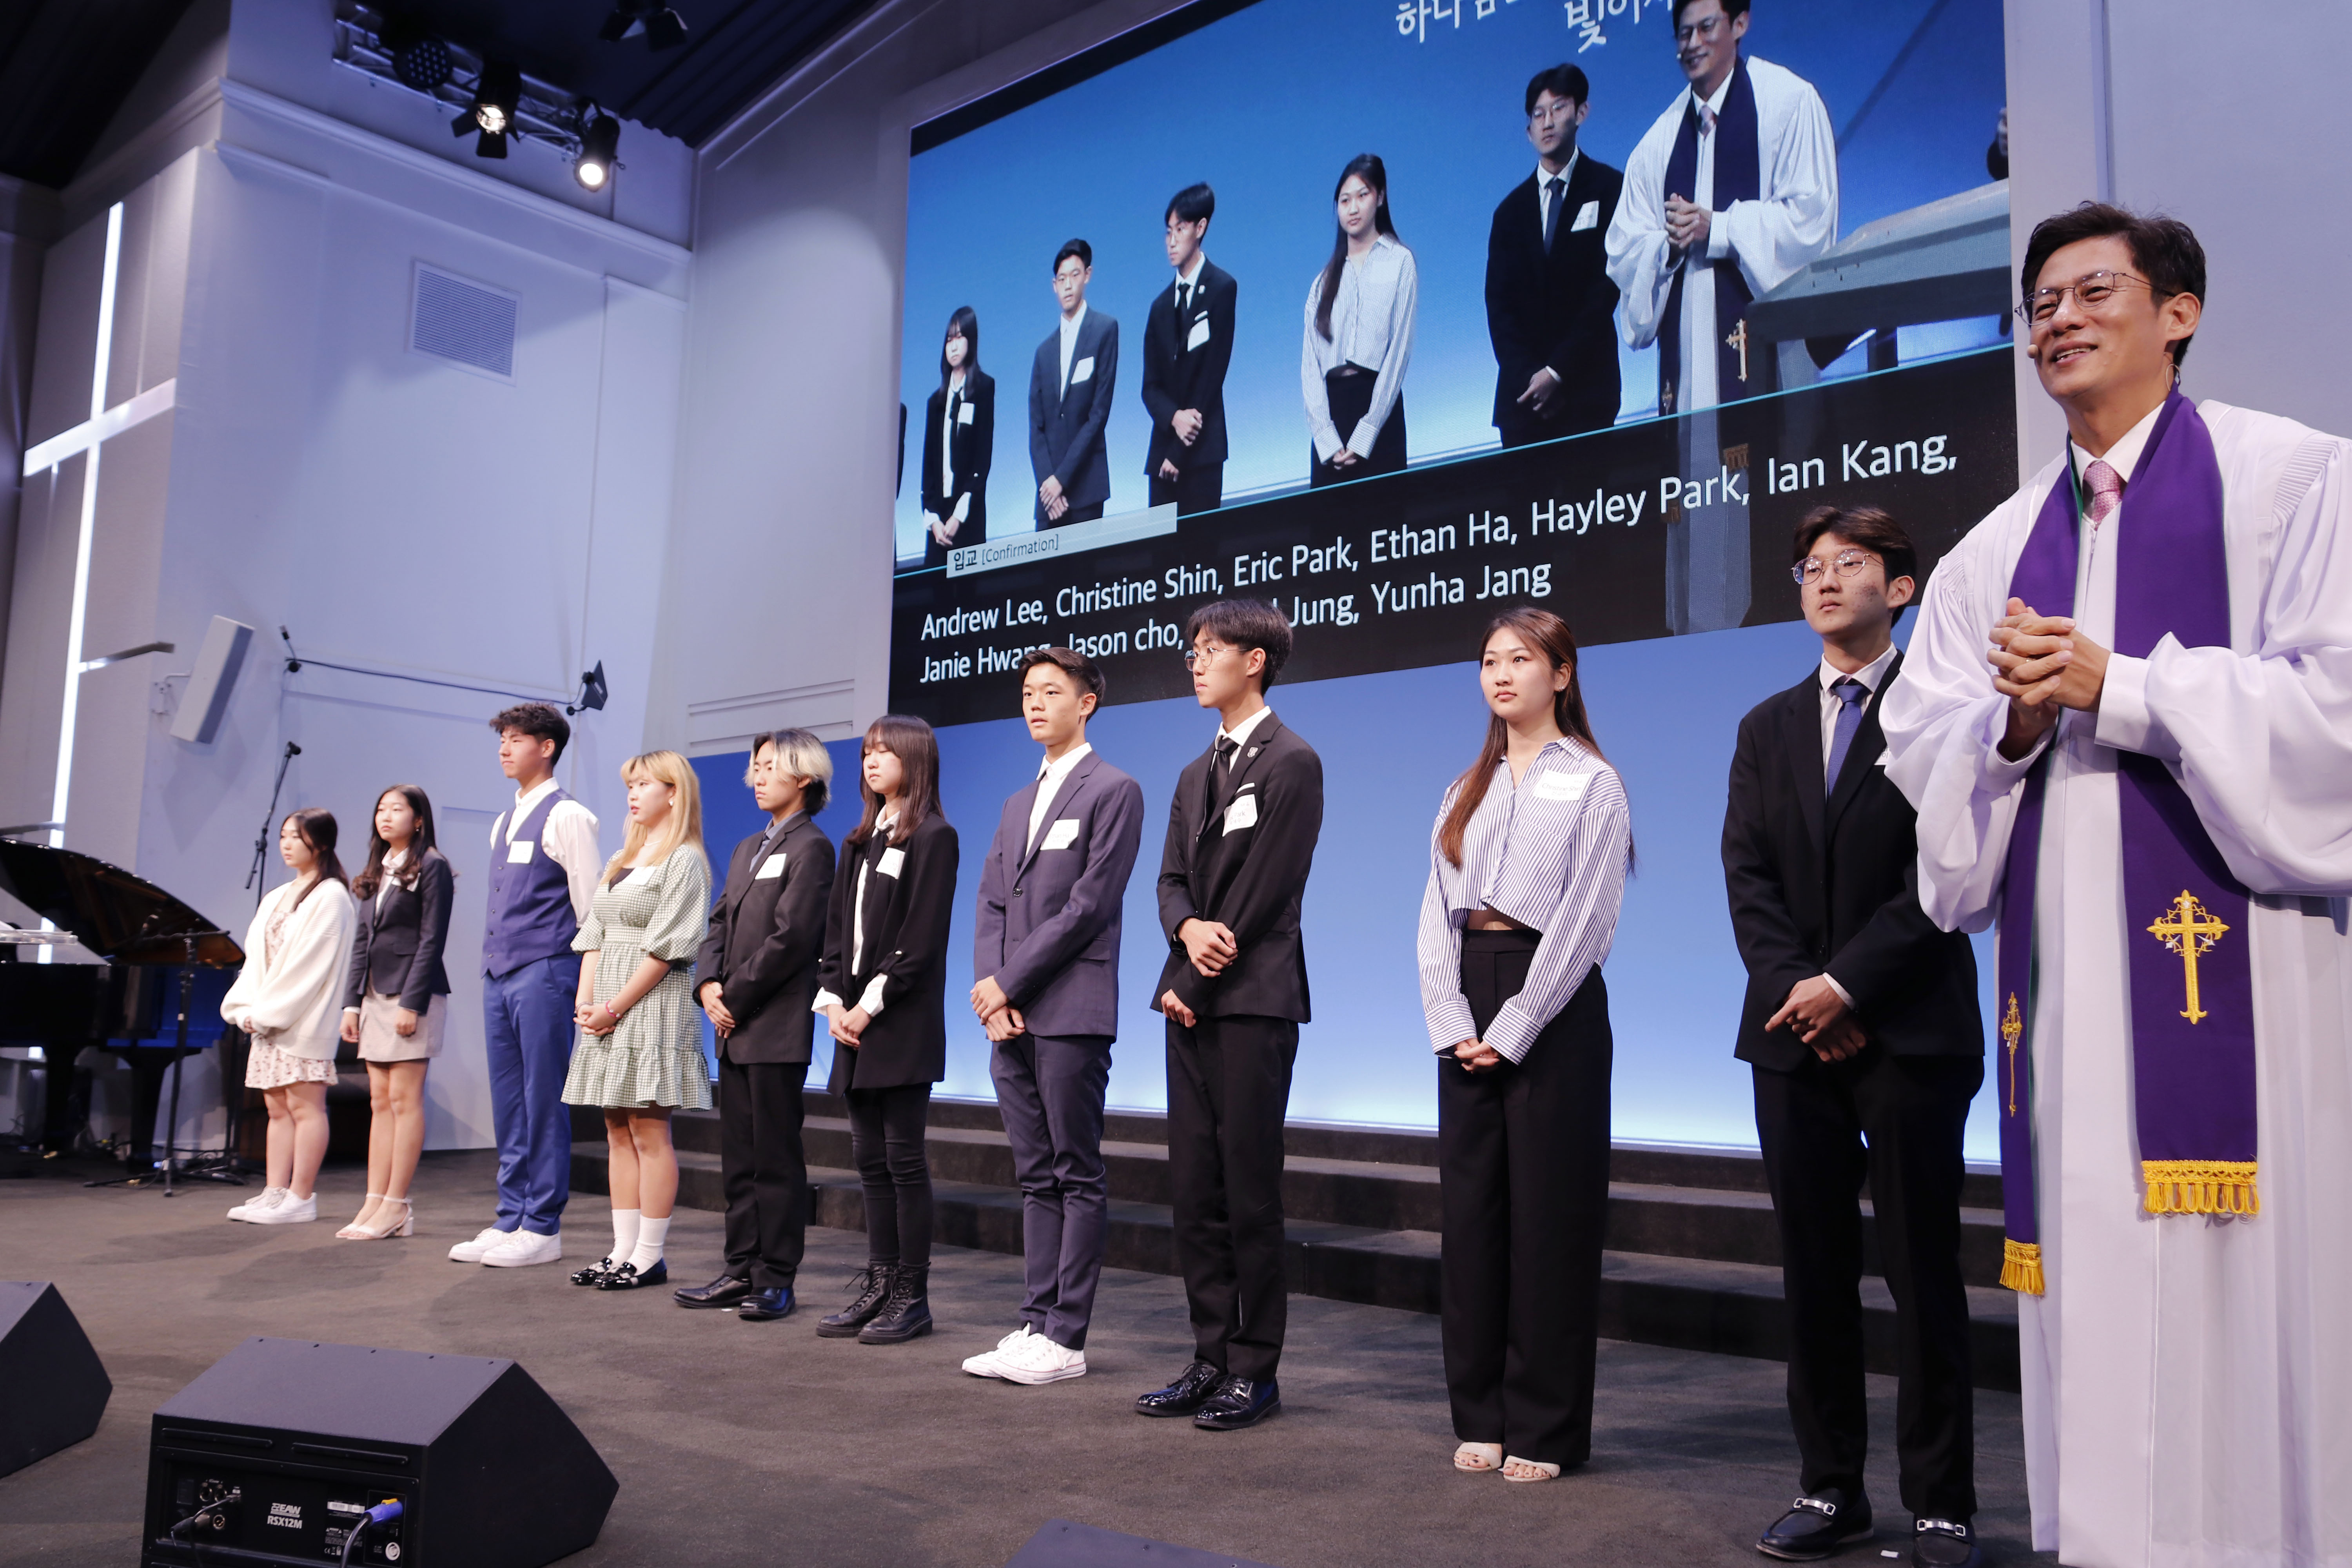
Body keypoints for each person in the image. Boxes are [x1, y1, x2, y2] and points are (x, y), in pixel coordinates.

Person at [1879, 203, 2352, 1568]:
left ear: (2177, 314)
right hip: (2073, 1023)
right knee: (2095, 1323)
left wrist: (2124, 687)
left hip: (2256, 1000)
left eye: (2093, 293)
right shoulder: (1989, 555)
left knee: (2262, 1326)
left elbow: (2335, 719)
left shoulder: (2293, 481)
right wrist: (2011, 729)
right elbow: (1931, 774)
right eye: (2040, 305)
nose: (2059, 321)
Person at [1721, 508, 1983, 1564]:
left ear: (1901, 588)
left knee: (1924, 1274)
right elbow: (1748, 874)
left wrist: (1848, 987)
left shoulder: (1944, 709)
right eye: (1811, 568)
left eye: (1851, 563)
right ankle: (1831, 1489)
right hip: (1794, 1040)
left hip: (1910, 1029)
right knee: (1815, 1272)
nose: (1825, 580)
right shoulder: (1766, 725)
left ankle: (1942, 1502)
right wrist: (1802, 992)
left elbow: (1947, 873)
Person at [1417, 609, 1629, 1484]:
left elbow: (1586, 921)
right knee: (1471, 1220)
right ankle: (1481, 1414)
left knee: (1550, 1220)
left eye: (1521, 659)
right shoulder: (1463, 787)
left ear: (1562, 674)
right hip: (1470, 989)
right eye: (1489, 661)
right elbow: (1435, 909)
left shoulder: (1594, 781)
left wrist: (1513, 1026)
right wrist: (1450, 1017)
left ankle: (1545, 1425)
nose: (1501, 674)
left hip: (1553, 998)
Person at [1137, 599, 1323, 1432]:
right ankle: (1209, 1356)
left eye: (1210, 648)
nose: (1195, 660)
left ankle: (1255, 1368)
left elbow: (1266, 887)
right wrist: (1183, 932)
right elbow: (1170, 880)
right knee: (1195, 1189)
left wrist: (1196, 977)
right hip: (1189, 999)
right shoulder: (1192, 773)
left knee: (1249, 1189)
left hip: (1250, 999)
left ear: (1255, 660)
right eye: (1193, 649)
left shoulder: (1294, 761)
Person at [1604, 0, 1837, 635]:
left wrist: (1722, 227)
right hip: (1691, 383)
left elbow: (1813, 225)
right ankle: (1704, 652)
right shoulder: (1659, 141)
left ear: (1740, 24)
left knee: (1779, 510)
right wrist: (1667, 245)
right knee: (1699, 522)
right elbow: (1623, 251)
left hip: (1768, 363)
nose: (1692, 43)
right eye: (1682, 32)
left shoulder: (1788, 103)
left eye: (1706, 27)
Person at [963, 648, 1145, 1385]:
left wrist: (1008, 982)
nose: (1035, 704)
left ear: (1086, 702)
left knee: (1076, 1172)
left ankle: (1067, 1336)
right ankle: (1035, 1321)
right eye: (1027, 694)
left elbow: (1088, 908)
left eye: (1050, 692)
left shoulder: (1115, 789)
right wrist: (991, 991)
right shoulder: (1017, 803)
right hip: (1010, 1012)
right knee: (1035, 1176)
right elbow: (990, 902)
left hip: (1071, 1007)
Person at [677, 730, 838, 1321]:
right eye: (758, 766)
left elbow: (792, 940)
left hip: (774, 1026)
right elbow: (718, 923)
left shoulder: (813, 848)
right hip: (734, 1023)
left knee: (775, 1160)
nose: (759, 776)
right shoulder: (749, 846)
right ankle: (739, 1267)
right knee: (738, 1160)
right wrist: (707, 985)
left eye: (772, 766)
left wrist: (735, 996)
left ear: (805, 777)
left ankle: (776, 1278)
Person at [813, 716, 960, 1343]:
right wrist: (833, 1003)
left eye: (884, 752)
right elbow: (836, 935)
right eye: (867, 752)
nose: (871, 761)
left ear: (914, 758)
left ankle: (911, 1295)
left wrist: (868, 1007)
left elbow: (919, 942)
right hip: (851, 1020)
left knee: (903, 1160)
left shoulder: (935, 837)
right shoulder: (859, 840)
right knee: (869, 1161)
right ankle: (878, 1283)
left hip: (899, 1021)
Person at [561, 750, 713, 1292]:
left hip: (651, 1004)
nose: (634, 792)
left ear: (674, 793)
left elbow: (669, 948)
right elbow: (594, 934)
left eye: (645, 783)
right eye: (631, 783)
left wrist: (614, 1006)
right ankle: (621, 1250)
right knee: (616, 1129)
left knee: (649, 1130)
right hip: (607, 1005)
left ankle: (649, 1256)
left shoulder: (685, 861)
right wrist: (587, 1003)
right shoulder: (622, 856)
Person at [455, 704, 601, 1269]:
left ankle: (542, 1223)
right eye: (503, 739)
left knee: (544, 1098)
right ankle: (510, 1214)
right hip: (500, 973)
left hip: (546, 969)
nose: (505, 748)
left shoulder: (569, 816)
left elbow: (592, 911)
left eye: (517, 739)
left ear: (547, 747)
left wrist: (586, 988)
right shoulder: (504, 820)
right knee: (510, 1100)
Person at [221, 809, 358, 1227]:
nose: (286, 844)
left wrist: (267, 1014)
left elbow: (309, 966)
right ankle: (275, 1191)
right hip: (268, 1021)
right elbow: (256, 961)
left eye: (296, 837)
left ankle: (301, 1196)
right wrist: (246, 1009)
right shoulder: (277, 895)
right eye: (283, 835)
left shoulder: (331, 895)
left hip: (302, 1019)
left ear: (321, 843)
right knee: (277, 1109)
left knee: (305, 1107)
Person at [335, 785, 456, 1241]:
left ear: (418, 819)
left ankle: (397, 1203)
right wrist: (352, 1002)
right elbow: (362, 942)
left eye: (397, 809)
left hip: (411, 995)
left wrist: (412, 1002)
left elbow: (432, 939)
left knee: (404, 1101)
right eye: (381, 809)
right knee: (379, 1101)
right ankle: (373, 1199)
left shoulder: (432, 865)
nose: (386, 816)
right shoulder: (377, 869)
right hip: (373, 995)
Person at [1485, 64, 1624, 448]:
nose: (1547, 122)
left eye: (1558, 108)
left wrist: (1558, 373)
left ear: (1581, 113)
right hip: (1522, 402)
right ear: (1528, 130)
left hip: (1588, 392)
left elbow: (1606, 289)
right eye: (1538, 114)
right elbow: (1499, 307)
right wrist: (1531, 379)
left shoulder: (1611, 188)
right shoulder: (1509, 212)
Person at [1301, 155, 1416, 487]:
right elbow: (1310, 367)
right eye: (1344, 200)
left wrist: (1368, 429)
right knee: (1327, 521)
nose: (1353, 209)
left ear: (1380, 197)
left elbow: (1398, 354)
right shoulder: (1322, 282)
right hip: (1332, 417)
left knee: (1384, 516)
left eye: (1362, 196)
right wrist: (1325, 437)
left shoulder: (1400, 262)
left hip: (1381, 412)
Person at [1142, 185, 1237, 515]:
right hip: (1161, 454)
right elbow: (1149, 388)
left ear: (1200, 228)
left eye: (1180, 230)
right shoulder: (1158, 307)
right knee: (1161, 548)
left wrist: (1179, 451)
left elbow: (1212, 376)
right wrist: (1174, 419)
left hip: (1202, 452)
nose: (1171, 241)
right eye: (1168, 232)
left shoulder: (1222, 288)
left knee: (1203, 544)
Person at [1028, 240, 1119, 527]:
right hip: (1049, 500)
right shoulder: (1043, 352)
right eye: (1061, 279)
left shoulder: (1105, 330)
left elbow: (1098, 415)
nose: (1068, 285)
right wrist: (1048, 483)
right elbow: (1036, 427)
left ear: (1088, 275)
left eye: (1075, 275)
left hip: (1086, 489)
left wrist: (1061, 480)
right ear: (1054, 285)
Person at [919, 307, 993, 569]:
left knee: (969, 590)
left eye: (959, 337)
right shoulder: (935, 402)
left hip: (968, 517)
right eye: (949, 339)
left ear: (971, 340)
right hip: (939, 522)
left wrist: (958, 517)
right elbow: (928, 467)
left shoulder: (984, 389)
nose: (953, 346)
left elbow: (982, 460)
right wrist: (933, 520)